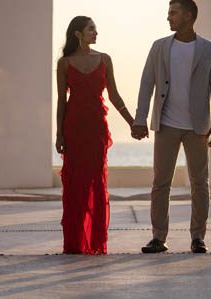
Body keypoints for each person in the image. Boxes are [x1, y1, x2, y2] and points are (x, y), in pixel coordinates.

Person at [132, 0, 211, 254]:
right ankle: (158, 237)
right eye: (168, 12)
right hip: (166, 124)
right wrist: (140, 119)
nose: (168, 17)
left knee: (200, 182)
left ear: (189, 16)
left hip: (198, 127)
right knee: (160, 183)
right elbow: (146, 84)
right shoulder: (159, 47)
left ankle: (198, 237)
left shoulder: (209, 49)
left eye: (173, 13)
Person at [56, 15, 135, 254]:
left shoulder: (104, 59)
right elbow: (62, 100)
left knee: (97, 183)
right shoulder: (65, 63)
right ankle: (75, 243)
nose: (96, 33)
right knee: (74, 185)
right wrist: (59, 134)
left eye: (96, 29)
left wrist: (133, 122)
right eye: (91, 29)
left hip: (96, 128)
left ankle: (96, 241)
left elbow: (114, 96)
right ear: (78, 33)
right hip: (74, 127)